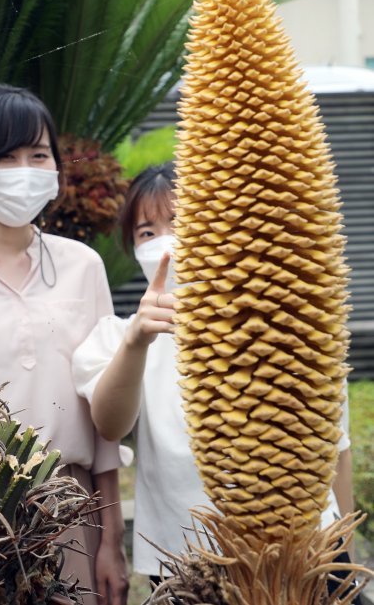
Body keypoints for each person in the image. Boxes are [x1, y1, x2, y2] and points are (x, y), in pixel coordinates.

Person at [72, 162, 360, 597]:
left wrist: (348, 557)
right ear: (133, 250)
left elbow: (335, 445)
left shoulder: (282, 320)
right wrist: (136, 342)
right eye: (147, 232)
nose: (165, 240)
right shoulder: (122, 336)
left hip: (306, 551)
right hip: (188, 563)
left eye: (179, 221)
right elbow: (111, 425)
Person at [0, 84, 128, 605]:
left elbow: (102, 426)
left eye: (37, 155)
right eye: (3, 156)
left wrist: (111, 541)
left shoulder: (82, 267)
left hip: (70, 506)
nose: (23, 168)